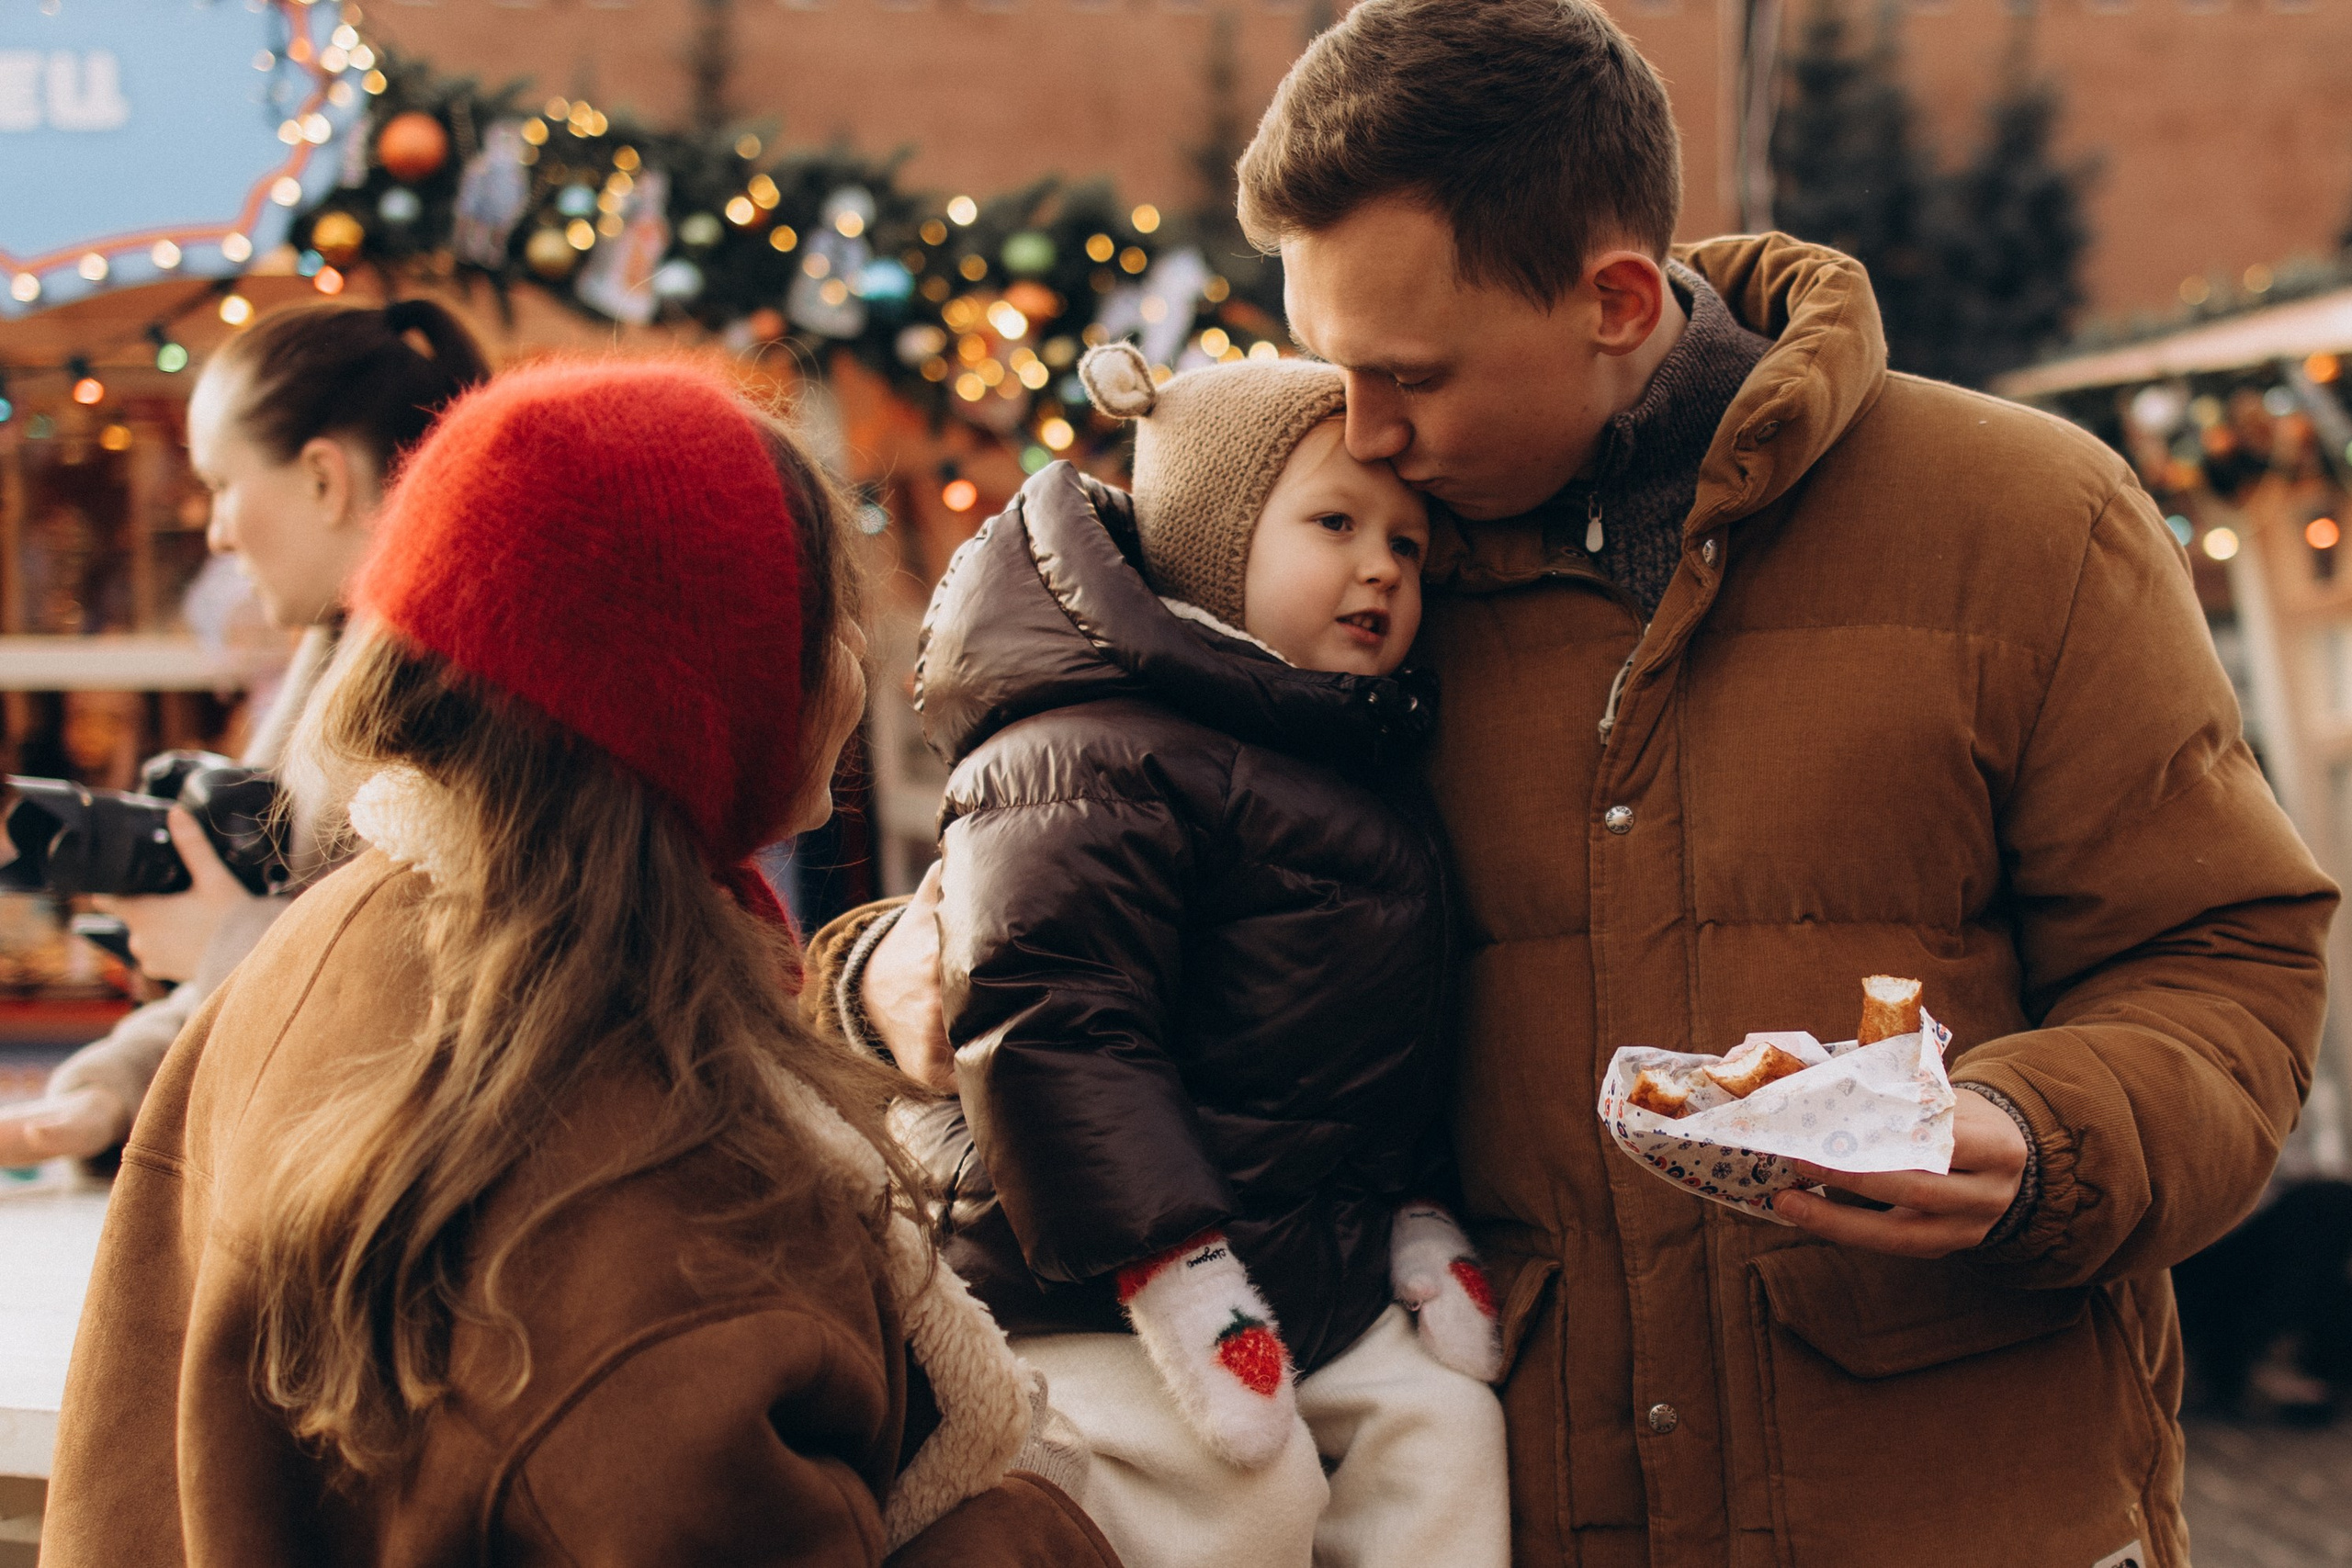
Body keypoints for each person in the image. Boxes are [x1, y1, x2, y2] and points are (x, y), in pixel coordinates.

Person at [830, 2, 2338, 1563]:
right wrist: (884, 965)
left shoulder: (2028, 519)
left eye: (1409, 372)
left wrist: (2042, 1134)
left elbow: (2230, 967)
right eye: (1338, 369)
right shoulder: (1355, 580)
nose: (1364, 431)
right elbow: (1075, 838)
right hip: (1541, 1507)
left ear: (1616, 300)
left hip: (1965, 1504)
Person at [40, 360, 1119, 1568]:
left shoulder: (347, 931)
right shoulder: (657, 1199)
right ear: (696, 679)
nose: (856, 655)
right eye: (813, 617)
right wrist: (1047, 1514)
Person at [866, 341, 1507, 1568]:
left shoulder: (1360, 769)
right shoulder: (1089, 753)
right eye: (1336, 520)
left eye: (1409, 544)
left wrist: (1414, 1213)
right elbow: (1055, 1022)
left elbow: (1387, 1036)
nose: (1381, 563)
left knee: (1445, 1435)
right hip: (1089, 1265)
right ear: (1213, 539)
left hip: (1311, 1258)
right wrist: (1178, 1271)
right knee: (1235, 1498)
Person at [0, 299, 487, 1168]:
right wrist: (105, 1094)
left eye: (223, 484)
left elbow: (452, 1009)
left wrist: (218, 940)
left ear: (325, 478)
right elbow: (277, 953)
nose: (217, 531)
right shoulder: (342, 655)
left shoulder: (457, 692)